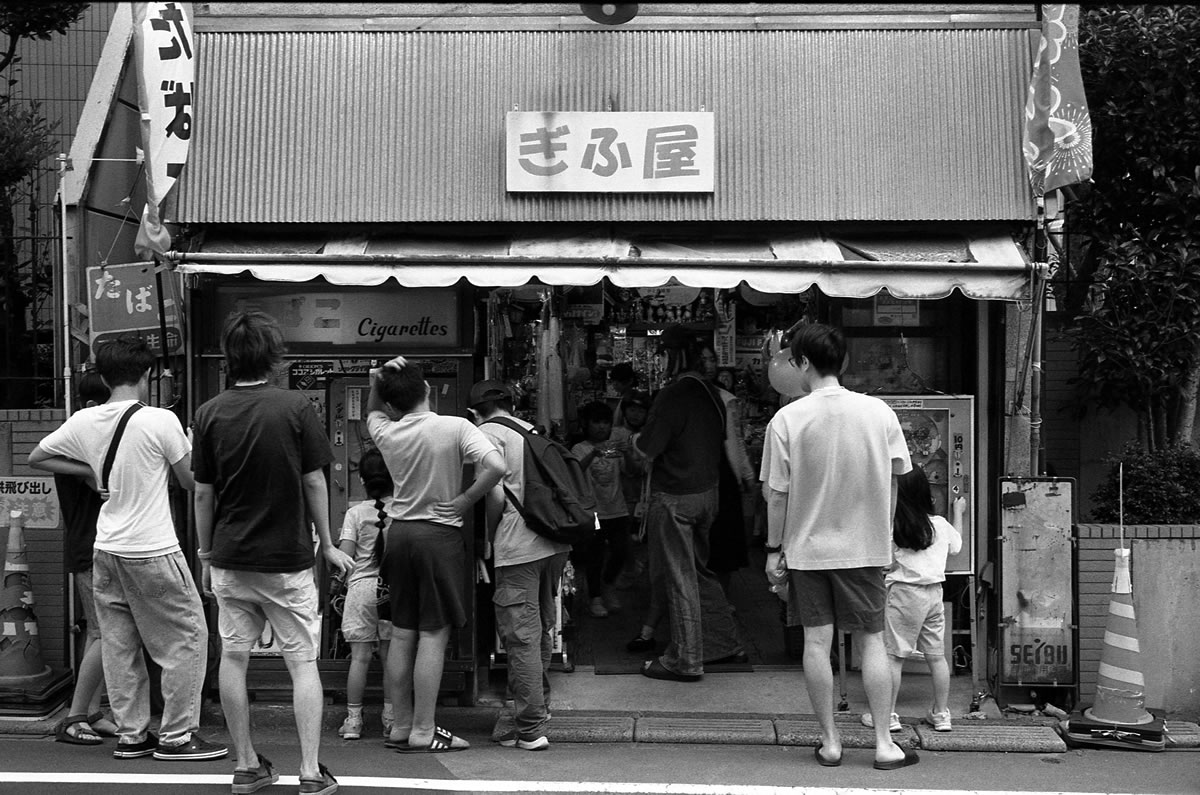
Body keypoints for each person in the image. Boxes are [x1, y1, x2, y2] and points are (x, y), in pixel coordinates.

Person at [29, 339, 225, 762]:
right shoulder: (159, 420)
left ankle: (132, 734)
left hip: (106, 548)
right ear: (147, 375)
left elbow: (37, 456)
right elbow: (191, 482)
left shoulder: (83, 422)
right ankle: (176, 735)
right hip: (152, 547)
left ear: (102, 376)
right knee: (187, 638)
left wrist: (91, 473)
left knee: (120, 644)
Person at [192, 311, 351, 795]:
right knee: (301, 661)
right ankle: (308, 772)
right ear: (273, 356)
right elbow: (313, 480)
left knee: (234, 658)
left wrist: (205, 552)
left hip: (231, 557)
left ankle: (245, 766)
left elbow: (203, 493)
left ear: (229, 356)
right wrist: (327, 542)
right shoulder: (296, 407)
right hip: (287, 559)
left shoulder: (209, 412)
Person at [760, 323, 918, 770]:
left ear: (804, 362)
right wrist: (884, 540)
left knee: (816, 642)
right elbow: (893, 483)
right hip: (866, 548)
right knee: (872, 642)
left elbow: (777, 495)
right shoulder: (879, 413)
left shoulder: (787, 419)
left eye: (794, 361)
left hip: (807, 550)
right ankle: (886, 744)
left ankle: (830, 743)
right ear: (842, 362)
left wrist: (775, 550)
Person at [367, 356, 504, 753]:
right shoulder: (456, 426)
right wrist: (464, 501)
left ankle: (400, 724)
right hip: (439, 535)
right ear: (428, 390)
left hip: (399, 534)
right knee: (433, 633)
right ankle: (425, 730)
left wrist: (378, 377)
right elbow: (495, 466)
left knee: (403, 631)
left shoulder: (385, 430)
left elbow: (376, 406)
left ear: (393, 404)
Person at [632, 326, 746, 681]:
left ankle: (687, 659)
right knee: (700, 572)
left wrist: (635, 439)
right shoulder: (713, 394)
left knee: (679, 577)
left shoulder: (673, 395)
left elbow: (648, 448)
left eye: (663, 354)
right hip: (707, 494)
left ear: (673, 355)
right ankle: (725, 643)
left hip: (676, 496)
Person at [470, 379, 570, 751]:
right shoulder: (532, 431)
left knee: (521, 635)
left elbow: (494, 490)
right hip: (554, 542)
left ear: (474, 411)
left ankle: (529, 728)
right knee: (540, 626)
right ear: (511, 404)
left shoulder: (485, 435)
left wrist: (490, 535)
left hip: (519, 544)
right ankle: (540, 707)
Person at [862, 465, 962, 734]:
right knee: (937, 657)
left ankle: (888, 715)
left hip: (905, 594)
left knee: (894, 657)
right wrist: (959, 513)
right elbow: (957, 547)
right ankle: (941, 714)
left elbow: (885, 561)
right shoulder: (940, 525)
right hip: (934, 594)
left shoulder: (894, 527)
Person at [51, 372, 119, 745]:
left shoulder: (79, 439)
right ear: (93, 406)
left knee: (100, 631)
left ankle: (91, 712)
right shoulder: (78, 440)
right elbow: (102, 486)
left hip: (93, 546)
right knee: (103, 632)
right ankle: (75, 717)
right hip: (90, 546)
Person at [335, 447, 395, 741]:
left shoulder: (356, 513)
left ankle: (354, 721)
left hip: (360, 590)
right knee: (390, 657)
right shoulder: (403, 509)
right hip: (392, 592)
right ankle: (391, 719)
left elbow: (345, 558)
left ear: (362, 479)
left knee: (359, 658)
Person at [699, 344, 757, 595]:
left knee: (723, 542)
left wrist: (745, 474)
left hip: (723, 474)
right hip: (696, 474)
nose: (709, 365)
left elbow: (735, 440)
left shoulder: (726, 399)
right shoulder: (683, 396)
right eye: (703, 360)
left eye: (712, 359)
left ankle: (720, 596)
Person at [571, 400, 631, 618]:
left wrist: (629, 452)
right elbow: (575, 473)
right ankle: (595, 597)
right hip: (593, 512)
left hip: (618, 509)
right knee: (594, 555)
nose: (601, 427)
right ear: (587, 424)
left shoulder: (614, 447)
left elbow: (631, 471)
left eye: (605, 422)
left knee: (621, 551)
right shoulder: (579, 448)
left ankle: (608, 585)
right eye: (596, 422)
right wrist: (594, 453)